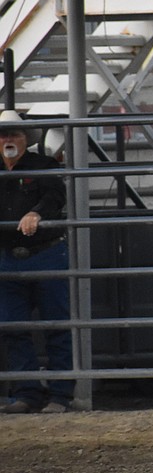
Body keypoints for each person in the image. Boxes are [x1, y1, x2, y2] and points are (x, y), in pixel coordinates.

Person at [0, 110, 72, 413]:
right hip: (9, 255)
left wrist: (37, 212)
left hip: (44, 250)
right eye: (3, 135)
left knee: (56, 323)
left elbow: (56, 195)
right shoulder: (41, 165)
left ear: (25, 139)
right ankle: (28, 393)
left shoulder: (41, 165)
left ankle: (59, 395)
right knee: (13, 326)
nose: (8, 140)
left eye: (13, 134)